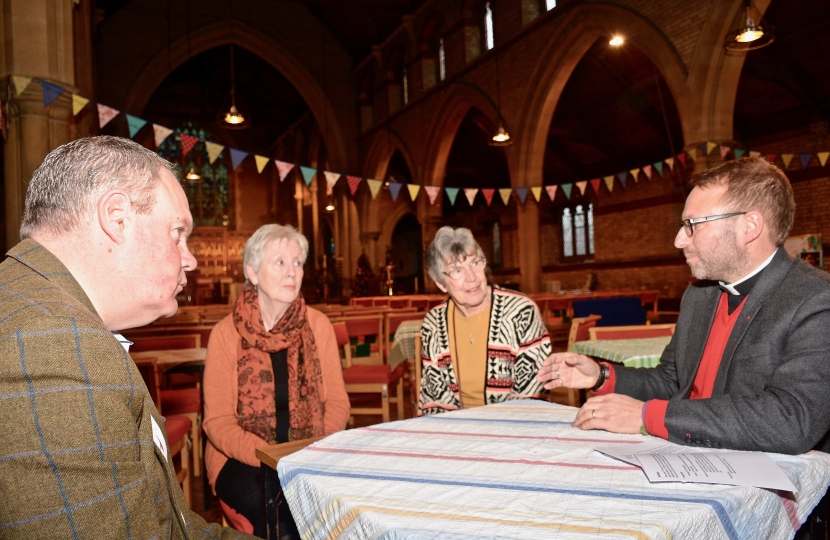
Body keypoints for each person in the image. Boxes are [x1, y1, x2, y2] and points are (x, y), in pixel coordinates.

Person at [0, 136, 252, 538]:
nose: (192, 259)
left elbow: (173, 528)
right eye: (177, 233)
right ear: (116, 217)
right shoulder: (54, 343)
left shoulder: (50, 315)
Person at [538, 157, 830, 455]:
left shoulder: (816, 298)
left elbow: (792, 420)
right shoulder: (698, 294)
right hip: (691, 456)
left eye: (692, 225)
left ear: (749, 226)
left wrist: (646, 416)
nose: (679, 240)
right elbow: (672, 381)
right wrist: (601, 376)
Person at [203, 224, 349, 538]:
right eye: (280, 262)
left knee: (347, 509)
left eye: (297, 263)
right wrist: (272, 458)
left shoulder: (319, 326)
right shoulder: (225, 335)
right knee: (287, 520)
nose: (292, 272)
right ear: (252, 272)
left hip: (312, 451)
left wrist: (311, 451)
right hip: (242, 459)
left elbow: (337, 404)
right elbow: (217, 422)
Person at [418, 226, 551, 415]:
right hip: (457, 430)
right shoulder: (433, 323)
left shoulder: (521, 312)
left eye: (474, 263)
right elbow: (434, 399)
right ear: (440, 283)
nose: (471, 278)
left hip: (514, 427)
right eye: (457, 271)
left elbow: (532, 394)